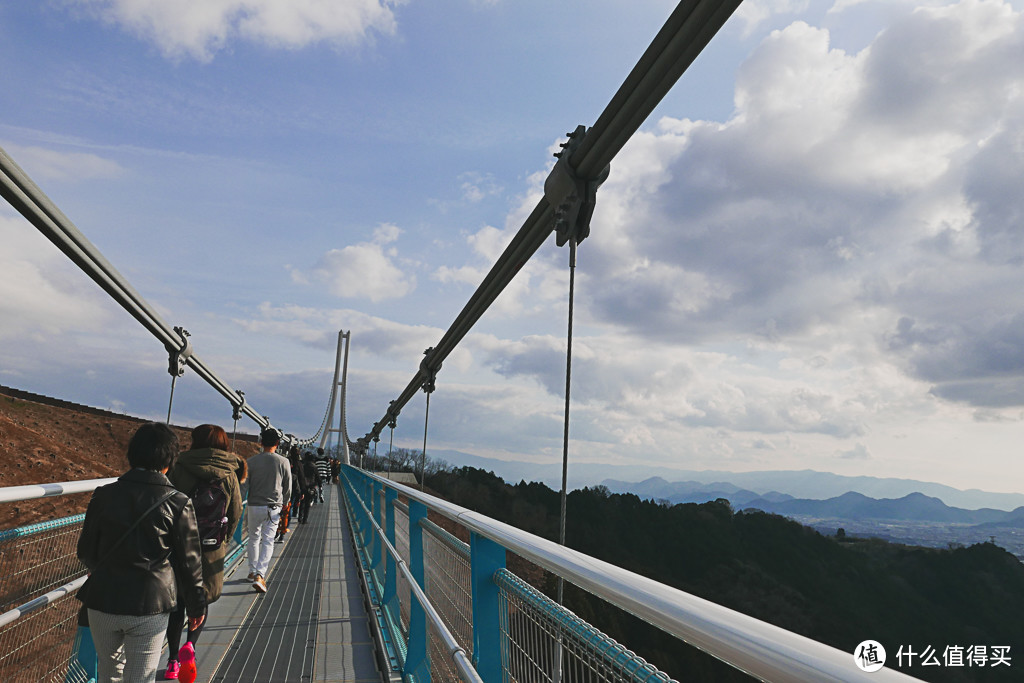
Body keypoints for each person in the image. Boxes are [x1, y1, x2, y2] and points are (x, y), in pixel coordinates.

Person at [76, 423, 206, 683]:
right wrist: (196, 605)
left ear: (132, 455)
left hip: (103, 600)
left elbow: (86, 552)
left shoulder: (103, 495)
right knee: (140, 678)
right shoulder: (178, 503)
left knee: (109, 675)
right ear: (169, 461)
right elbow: (190, 564)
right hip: (150, 605)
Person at [164, 424, 244, 682]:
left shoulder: (178, 467)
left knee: (177, 604)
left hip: (178, 547)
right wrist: (224, 541)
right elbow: (236, 512)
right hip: (211, 549)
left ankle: (173, 661)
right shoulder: (230, 474)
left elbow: (165, 505)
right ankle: (191, 646)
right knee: (202, 598)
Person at [246, 429, 292, 593]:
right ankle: (260, 575)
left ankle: (252, 571)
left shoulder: (250, 461)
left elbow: (245, 485)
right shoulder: (283, 461)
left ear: (261, 442)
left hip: (253, 505)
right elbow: (288, 486)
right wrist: (286, 503)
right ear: (277, 444)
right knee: (267, 541)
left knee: (253, 537)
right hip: (273, 507)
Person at [299, 451, 319, 521]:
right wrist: (319, 484)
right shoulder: (314, 467)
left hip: (303, 484)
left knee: (302, 501)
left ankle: (300, 517)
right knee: (307, 503)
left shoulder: (302, 465)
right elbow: (317, 477)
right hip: (311, 486)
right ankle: (305, 519)